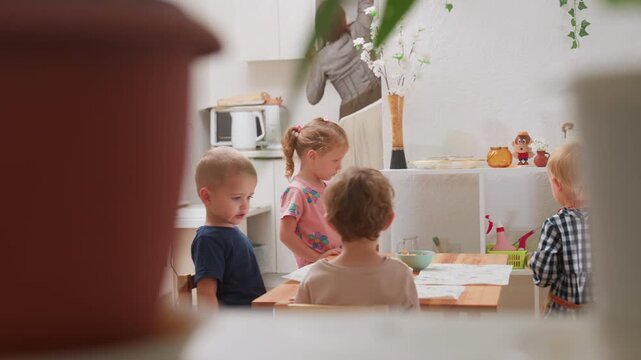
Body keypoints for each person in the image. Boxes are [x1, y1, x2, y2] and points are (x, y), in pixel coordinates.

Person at [294, 167, 419, 310]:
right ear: (388, 221)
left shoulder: (315, 276)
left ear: (330, 223)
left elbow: (299, 328)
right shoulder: (400, 276)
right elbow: (412, 330)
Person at [191, 147, 266, 310]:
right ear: (207, 196)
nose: (245, 205)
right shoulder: (208, 240)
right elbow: (206, 295)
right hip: (235, 325)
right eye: (237, 198)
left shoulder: (232, 232)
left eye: (249, 197)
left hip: (253, 321)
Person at [530, 142, 592, 317]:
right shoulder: (614, 223)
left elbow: (544, 276)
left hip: (566, 315)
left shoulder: (555, 224)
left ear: (557, 184)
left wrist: (532, 259)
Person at [280, 118, 348, 267]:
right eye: (335, 160)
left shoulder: (328, 186)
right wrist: (317, 257)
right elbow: (286, 235)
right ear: (312, 156)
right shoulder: (297, 191)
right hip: (314, 268)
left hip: (334, 261)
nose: (339, 166)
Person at [307, 0, 381, 118]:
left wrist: (315, 60)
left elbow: (312, 97)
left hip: (351, 115)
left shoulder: (321, 59)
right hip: (378, 101)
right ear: (343, 19)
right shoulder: (359, 30)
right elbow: (366, 3)